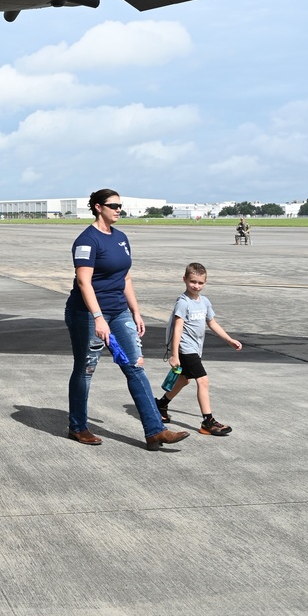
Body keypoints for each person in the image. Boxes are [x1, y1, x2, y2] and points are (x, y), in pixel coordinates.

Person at [65, 189, 187, 450]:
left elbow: (126, 278)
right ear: (98, 207)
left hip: (119, 311)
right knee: (85, 370)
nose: (119, 209)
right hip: (86, 313)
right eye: (113, 205)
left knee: (134, 366)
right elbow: (84, 282)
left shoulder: (121, 238)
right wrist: (98, 318)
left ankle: (155, 430)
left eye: (120, 205)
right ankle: (77, 426)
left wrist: (135, 311)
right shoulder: (87, 240)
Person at [157, 263, 242, 436]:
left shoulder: (204, 302)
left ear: (205, 282)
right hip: (185, 348)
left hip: (195, 348)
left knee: (184, 379)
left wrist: (229, 339)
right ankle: (208, 421)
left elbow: (212, 323)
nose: (196, 286)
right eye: (192, 281)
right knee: (202, 380)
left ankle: (160, 405)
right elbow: (177, 328)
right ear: (185, 280)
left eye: (200, 283)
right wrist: (174, 354)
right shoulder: (183, 302)